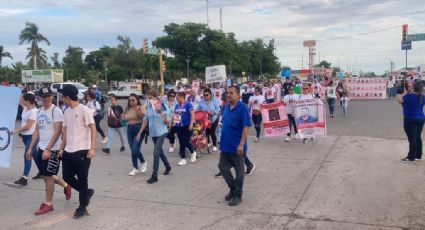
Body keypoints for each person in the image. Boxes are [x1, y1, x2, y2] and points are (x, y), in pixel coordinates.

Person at [26, 87, 71, 215]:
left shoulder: (56, 111)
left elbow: (57, 132)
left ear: (52, 97)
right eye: (43, 96)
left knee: (47, 176)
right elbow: (36, 131)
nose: (46, 99)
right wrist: (30, 148)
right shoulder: (39, 111)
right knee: (47, 175)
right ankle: (66, 186)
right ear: (39, 98)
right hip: (41, 147)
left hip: (53, 149)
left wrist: (48, 149)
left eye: (48, 96)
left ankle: (48, 204)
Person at [58, 84, 96, 219]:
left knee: (82, 179)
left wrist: (92, 148)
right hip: (68, 150)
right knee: (67, 177)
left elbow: (93, 128)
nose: (62, 98)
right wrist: (62, 148)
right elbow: (65, 131)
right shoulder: (66, 111)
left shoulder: (84, 110)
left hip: (82, 151)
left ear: (68, 97)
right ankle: (86, 193)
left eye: (63, 96)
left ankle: (82, 207)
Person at [218, 85, 251, 206]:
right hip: (225, 146)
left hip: (237, 147)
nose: (228, 95)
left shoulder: (243, 108)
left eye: (231, 93)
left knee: (239, 173)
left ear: (238, 95)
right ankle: (232, 189)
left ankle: (238, 194)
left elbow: (246, 126)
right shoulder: (226, 107)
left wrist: (241, 144)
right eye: (227, 93)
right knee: (222, 168)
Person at [137, 90, 172, 184]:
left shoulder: (163, 106)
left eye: (152, 97)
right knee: (160, 152)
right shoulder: (148, 107)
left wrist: (162, 114)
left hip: (162, 132)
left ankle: (154, 176)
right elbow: (145, 120)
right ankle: (168, 166)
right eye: (149, 98)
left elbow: (168, 122)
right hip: (153, 132)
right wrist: (140, 132)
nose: (150, 99)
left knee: (156, 152)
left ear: (157, 98)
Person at [12, 93, 38, 186]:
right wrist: (19, 91)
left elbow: (29, 126)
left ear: (28, 101)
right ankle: (43, 171)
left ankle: (24, 178)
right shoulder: (25, 108)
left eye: (24, 100)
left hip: (31, 136)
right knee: (35, 155)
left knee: (27, 155)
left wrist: (16, 130)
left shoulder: (34, 111)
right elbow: (19, 100)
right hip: (24, 136)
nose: (22, 101)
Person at [396, 81, 425, 162]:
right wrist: (408, 92)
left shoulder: (408, 96)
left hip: (410, 119)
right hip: (421, 119)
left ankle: (411, 157)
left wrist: (399, 92)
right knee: (417, 137)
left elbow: (399, 100)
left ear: (413, 87)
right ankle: (418, 156)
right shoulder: (422, 97)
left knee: (412, 139)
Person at [124, 93, 147, 176]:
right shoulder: (127, 109)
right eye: (129, 100)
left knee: (134, 149)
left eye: (133, 100)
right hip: (129, 129)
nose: (131, 102)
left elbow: (143, 118)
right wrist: (121, 120)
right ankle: (139, 165)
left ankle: (138, 165)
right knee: (133, 149)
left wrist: (135, 108)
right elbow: (124, 120)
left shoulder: (141, 107)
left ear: (137, 100)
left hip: (139, 128)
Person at [173, 92, 196, 166]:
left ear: (182, 97)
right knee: (181, 143)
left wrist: (191, 124)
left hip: (187, 125)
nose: (176, 99)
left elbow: (192, 114)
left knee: (186, 141)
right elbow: (175, 115)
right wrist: (172, 124)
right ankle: (183, 159)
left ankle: (193, 152)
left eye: (177, 97)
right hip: (178, 126)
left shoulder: (188, 105)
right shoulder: (176, 106)